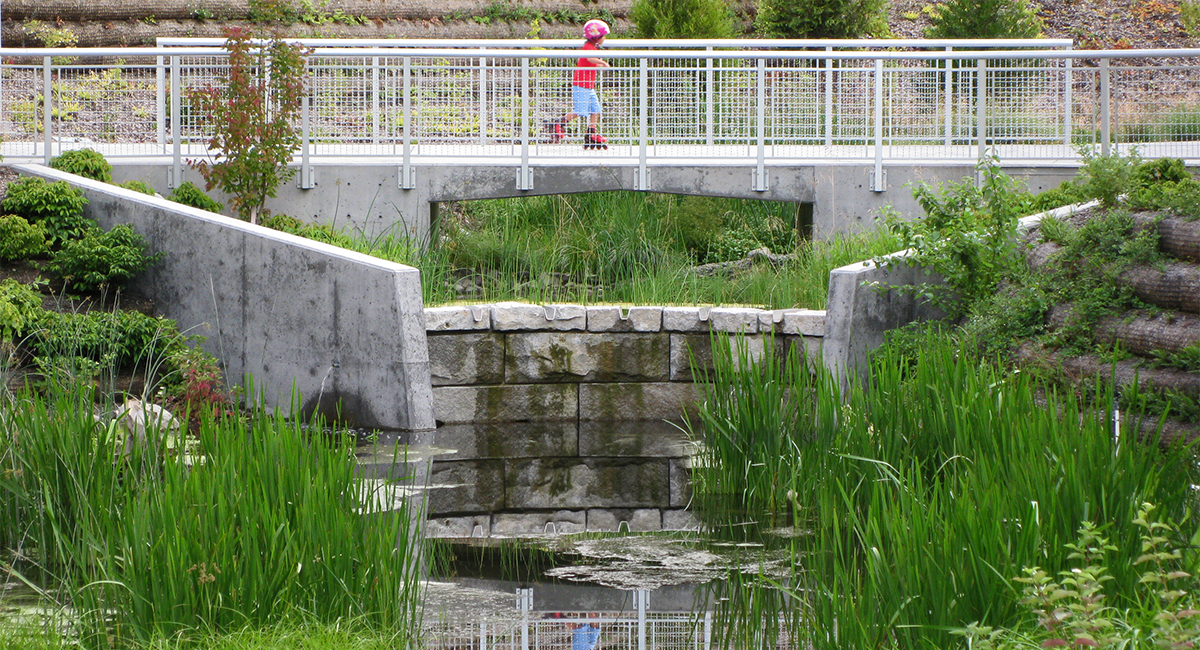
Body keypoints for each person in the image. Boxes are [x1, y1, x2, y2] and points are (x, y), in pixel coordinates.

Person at [548, 19, 611, 150]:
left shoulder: (593, 48)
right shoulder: (588, 48)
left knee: (596, 109)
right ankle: (558, 123)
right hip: (581, 85)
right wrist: (603, 62)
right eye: (603, 36)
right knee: (581, 111)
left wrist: (600, 65)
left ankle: (591, 132)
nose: (604, 39)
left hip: (589, 86)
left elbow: (592, 62)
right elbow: (589, 58)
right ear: (596, 37)